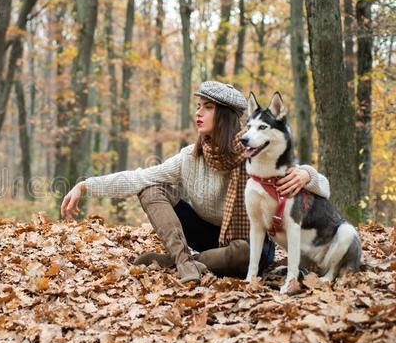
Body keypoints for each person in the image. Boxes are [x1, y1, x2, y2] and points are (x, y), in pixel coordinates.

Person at [61, 81, 330, 284]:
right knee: (151, 187)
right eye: (198, 106)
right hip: (207, 236)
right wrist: (86, 185)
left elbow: (322, 187)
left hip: (248, 244)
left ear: (224, 115)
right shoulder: (188, 158)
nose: (199, 113)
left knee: (245, 253)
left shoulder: (256, 153)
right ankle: (183, 262)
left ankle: (174, 262)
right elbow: (138, 177)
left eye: (208, 107)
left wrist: (307, 174)